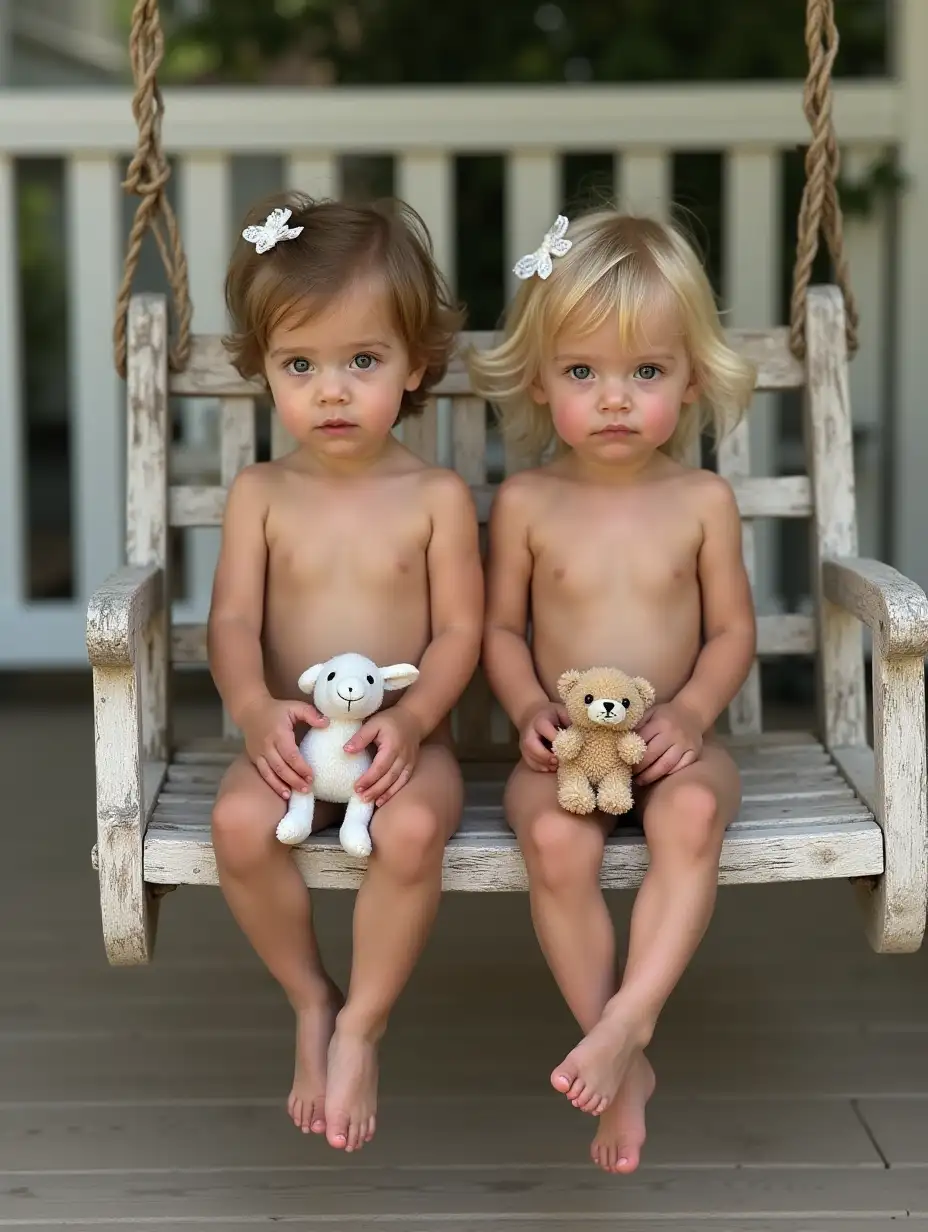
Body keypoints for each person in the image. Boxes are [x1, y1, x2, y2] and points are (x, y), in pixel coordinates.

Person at [472, 209, 757, 1174]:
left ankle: (629, 1021)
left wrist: (692, 713)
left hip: (673, 745)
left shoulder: (702, 502)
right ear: (542, 378)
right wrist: (525, 712)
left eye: (647, 373)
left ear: (689, 377)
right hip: (563, 751)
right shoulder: (528, 503)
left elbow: (731, 634)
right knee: (552, 837)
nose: (615, 400)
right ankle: (619, 1057)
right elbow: (502, 631)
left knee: (689, 822)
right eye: (584, 372)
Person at [208, 193, 483, 1154]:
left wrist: (409, 727)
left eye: (361, 361)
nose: (332, 390)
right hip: (293, 745)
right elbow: (234, 620)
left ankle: (363, 1024)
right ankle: (311, 999)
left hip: (402, 749)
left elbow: (459, 632)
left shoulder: (434, 496)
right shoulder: (262, 493)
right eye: (301, 365)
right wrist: (251, 708)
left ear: (414, 366)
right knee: (238, 826)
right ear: (266, 372)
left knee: (409, 836)